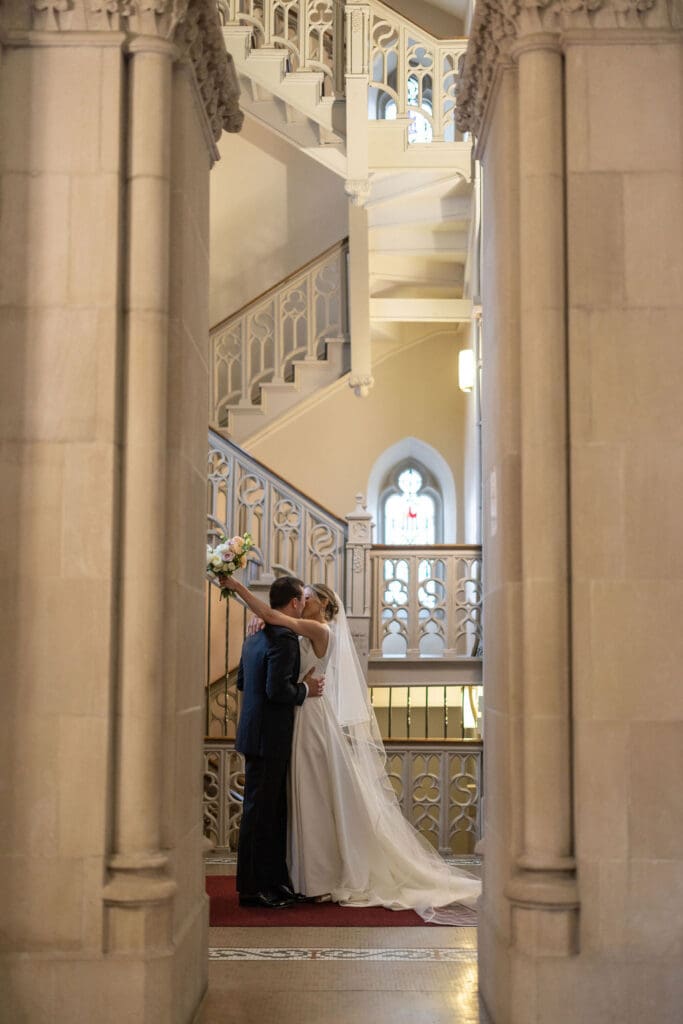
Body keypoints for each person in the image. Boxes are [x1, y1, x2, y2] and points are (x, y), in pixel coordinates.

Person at [224, 576, 482, 921]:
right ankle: (295, 874)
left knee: (312, 794)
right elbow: (273, 629)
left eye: (309, 596)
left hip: (311, 719)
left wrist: (238, 588)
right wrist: (259, 617)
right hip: (297, 719)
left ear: (323, 605)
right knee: (300, 797)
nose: (303, 599)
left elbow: (276, 620)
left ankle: (316, 873)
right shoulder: (295, 632)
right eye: (301, 596)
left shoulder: (320, 631)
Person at [234, 575, 325, 909]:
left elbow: (243, 681)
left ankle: (273, 880)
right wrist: (306, 690)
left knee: (267, 812)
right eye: (301, 598)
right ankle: (253, 888)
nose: (303, 603)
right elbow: (278, 691)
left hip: (253, 731)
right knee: (261, 814)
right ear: (293, 603)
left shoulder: (253, 636)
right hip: (270, 735)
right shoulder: (284, 638)